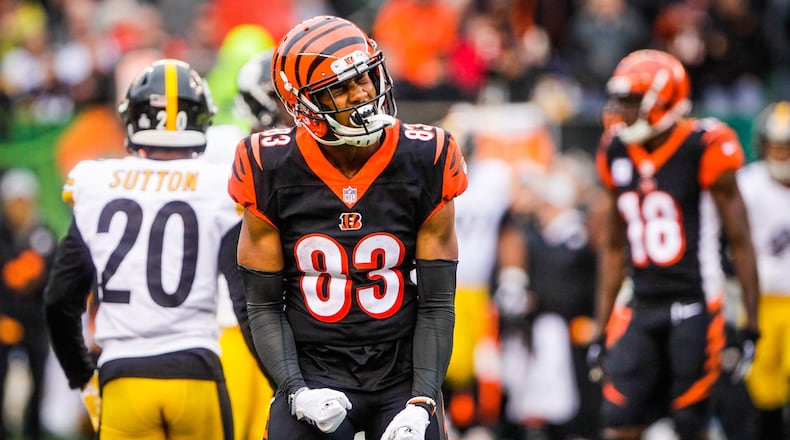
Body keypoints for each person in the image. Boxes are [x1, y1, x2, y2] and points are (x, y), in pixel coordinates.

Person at [227, 15, 468, 440]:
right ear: (303, 105)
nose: (364, 94)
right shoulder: (267, 166)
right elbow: (263, 306)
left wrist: (424, 399)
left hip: (401, 376)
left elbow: (437, 304)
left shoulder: (426, 155)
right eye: (340, 87)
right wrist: (294, 390)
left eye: (367, 76)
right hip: (313, 371)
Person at [44, 58, 259, 439]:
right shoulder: (216, 185)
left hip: (123, 378)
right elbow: (247, 301)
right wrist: (285, 379)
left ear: (132, 119)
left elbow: (60, 300)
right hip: (196, 372)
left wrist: (83, 378)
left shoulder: (97, 181)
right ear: (201, 119)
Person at [591, 49, 760, 440]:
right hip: (641, 303)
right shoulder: (615, 148)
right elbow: (614, 247)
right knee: (618, 419)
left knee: (690, 423)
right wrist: (601, 328)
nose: (622, 111)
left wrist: (750, 324)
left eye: (632, 101)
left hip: (696, 302)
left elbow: (741, 240)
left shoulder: (705, 144)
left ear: (663, 100)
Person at [209, 49, 288, 440]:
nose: (292, 108)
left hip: (288, 318)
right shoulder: (224, 147)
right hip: (230, 320)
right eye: (280, 98)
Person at [740, 101, 790, 439]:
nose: (779, 154)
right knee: (763, 390)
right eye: (774, 146)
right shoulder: (749, 183)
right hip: (761, 301)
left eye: (786, 147)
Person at [0, 168, 58, 440]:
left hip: (35, 320)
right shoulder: (3, 236)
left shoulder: (44, 234)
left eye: (23, 201)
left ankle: (33, 427)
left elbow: (51, 277)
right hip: (4, 319)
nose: (19, 209)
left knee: (38, 376)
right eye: (14, 202)